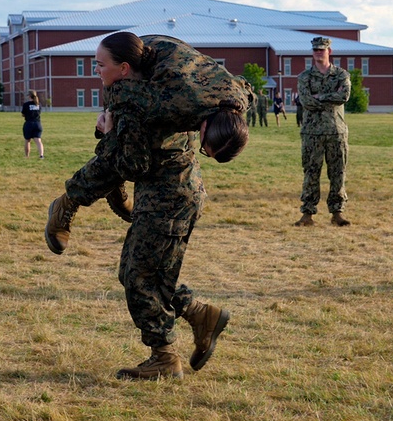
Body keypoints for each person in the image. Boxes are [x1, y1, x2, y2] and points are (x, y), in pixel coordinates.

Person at [47, 32, 246, 380]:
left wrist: (110, 130)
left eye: (100, 66)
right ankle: (200, 315)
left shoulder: (157, 100)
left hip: (169, 196)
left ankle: (165, 356)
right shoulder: (185, 86)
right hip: (175, 191)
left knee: (138, 276)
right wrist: (113, 115)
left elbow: (129, 162)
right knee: (144, 272)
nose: (96, 71)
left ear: (124, 68)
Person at [45, 33, 252, 255]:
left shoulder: (239, 97)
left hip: (165, 61)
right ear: (203, 126)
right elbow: (121, 92)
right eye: (204, 148)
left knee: (162, 149)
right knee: (131, 150)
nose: (201, 150)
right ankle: (68, 202)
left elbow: (248, 89)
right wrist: (109, 117)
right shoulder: (173, 103)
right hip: (134, 59)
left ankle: (112, 185)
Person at [295, 37, 350, 227]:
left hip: (336, 132)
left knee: (338, 173)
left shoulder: (341, 75)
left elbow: (344, 96)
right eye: (315, 50)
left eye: (322, 50)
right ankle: (307, 214)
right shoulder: (304, 77)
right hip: (312, 132)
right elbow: (306, 101)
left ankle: (337, 213)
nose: (318, 52)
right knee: (311, 172)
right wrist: (330, 99)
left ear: (329, 52)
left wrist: (320, 96)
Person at [21, 90, 44, 159]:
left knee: (27, 140)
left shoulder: (26, 104)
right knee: (38, 140)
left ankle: (27, 156)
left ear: (29, 96)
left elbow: (23, 114)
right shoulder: (39, 104)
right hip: (38, 124)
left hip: (29, 124)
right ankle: (41, 155)